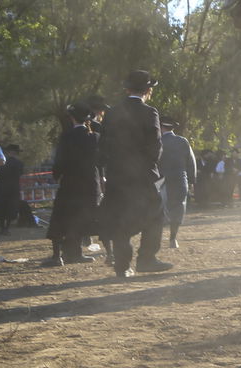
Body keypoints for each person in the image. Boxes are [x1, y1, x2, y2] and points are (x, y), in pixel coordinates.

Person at [99, 70, 172, 278]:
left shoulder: (112, 112)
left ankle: (122, 266)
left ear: (127, 88)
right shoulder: (150, 112)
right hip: (141, 176)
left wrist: (107, 169)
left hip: (116, 176)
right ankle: (147, 259)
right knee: (155, 215)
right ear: (148, 90)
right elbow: (155, 147)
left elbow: (103, 145)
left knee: (120, 220)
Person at [45, 102, 100, 266]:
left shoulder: (66, 136)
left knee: (62, 217)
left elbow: (60, 160)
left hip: (70, 183)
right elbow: (101, 161)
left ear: (71, 118)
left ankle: (58, 255)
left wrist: (56, 175)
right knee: (80, 218)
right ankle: (74, 253)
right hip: (89, 184)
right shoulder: (94, 137)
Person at [159, 119, 198, 248]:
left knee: (159, 209)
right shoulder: (183, 141)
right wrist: (192, 180)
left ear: (162, 127)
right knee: (178, 208)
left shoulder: (157, 141)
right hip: (180, 178)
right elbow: (191, 162)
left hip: (161, 179)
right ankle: (173, 239)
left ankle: (156, 239)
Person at [0, 144, 25, 234]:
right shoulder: (19, 163)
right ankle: (6, 228)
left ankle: (2, 227)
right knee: (11, 208)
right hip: (13, 187)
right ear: (16, 153)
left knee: (1, 207)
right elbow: (19, 174)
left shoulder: (0, 163)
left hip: (2, 187)